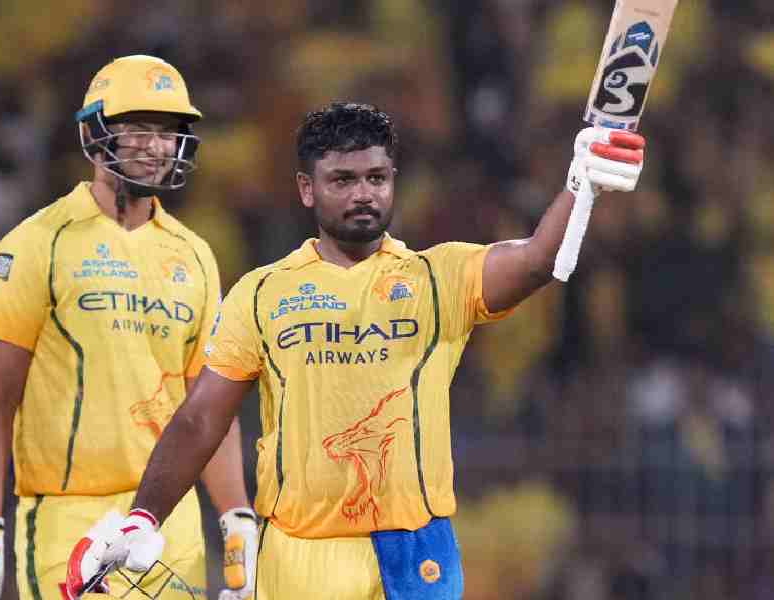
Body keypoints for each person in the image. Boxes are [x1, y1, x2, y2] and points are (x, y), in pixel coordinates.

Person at [65, 102, 646, 600]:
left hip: (415, 551)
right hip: (298, 555)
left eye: (377, 177)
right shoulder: (263, 291)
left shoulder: (437, 275)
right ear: (306, 188)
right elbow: (200, 417)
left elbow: (538, 259)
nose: (364, 193)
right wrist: (143, 515)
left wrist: (581, 184)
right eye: (343, 180)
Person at [0, 55, 258, 600]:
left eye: (169, 131)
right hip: (66, 515)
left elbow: (208, 407)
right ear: (95, 132)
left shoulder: (195, 256)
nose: (155, 146)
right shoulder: (36, 243)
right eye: (139, 128)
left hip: (166, 522)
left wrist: (235, 515)